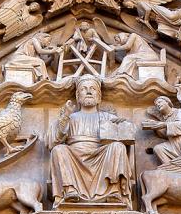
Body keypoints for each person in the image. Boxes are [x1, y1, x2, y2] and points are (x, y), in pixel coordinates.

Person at [50, 76, 134, 206]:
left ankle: (113, 191)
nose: (89, 92)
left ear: (99, 97)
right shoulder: (70, 117)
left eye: (93, 89)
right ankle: (70, 190)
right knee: (59, 150)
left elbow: (127, 137)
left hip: (101, 154)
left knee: (118, 147)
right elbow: (55, 141)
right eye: (84, 89)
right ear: (78, 96)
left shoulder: (108, 117)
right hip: (74, 155)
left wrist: (121, 126)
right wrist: (65, 116)